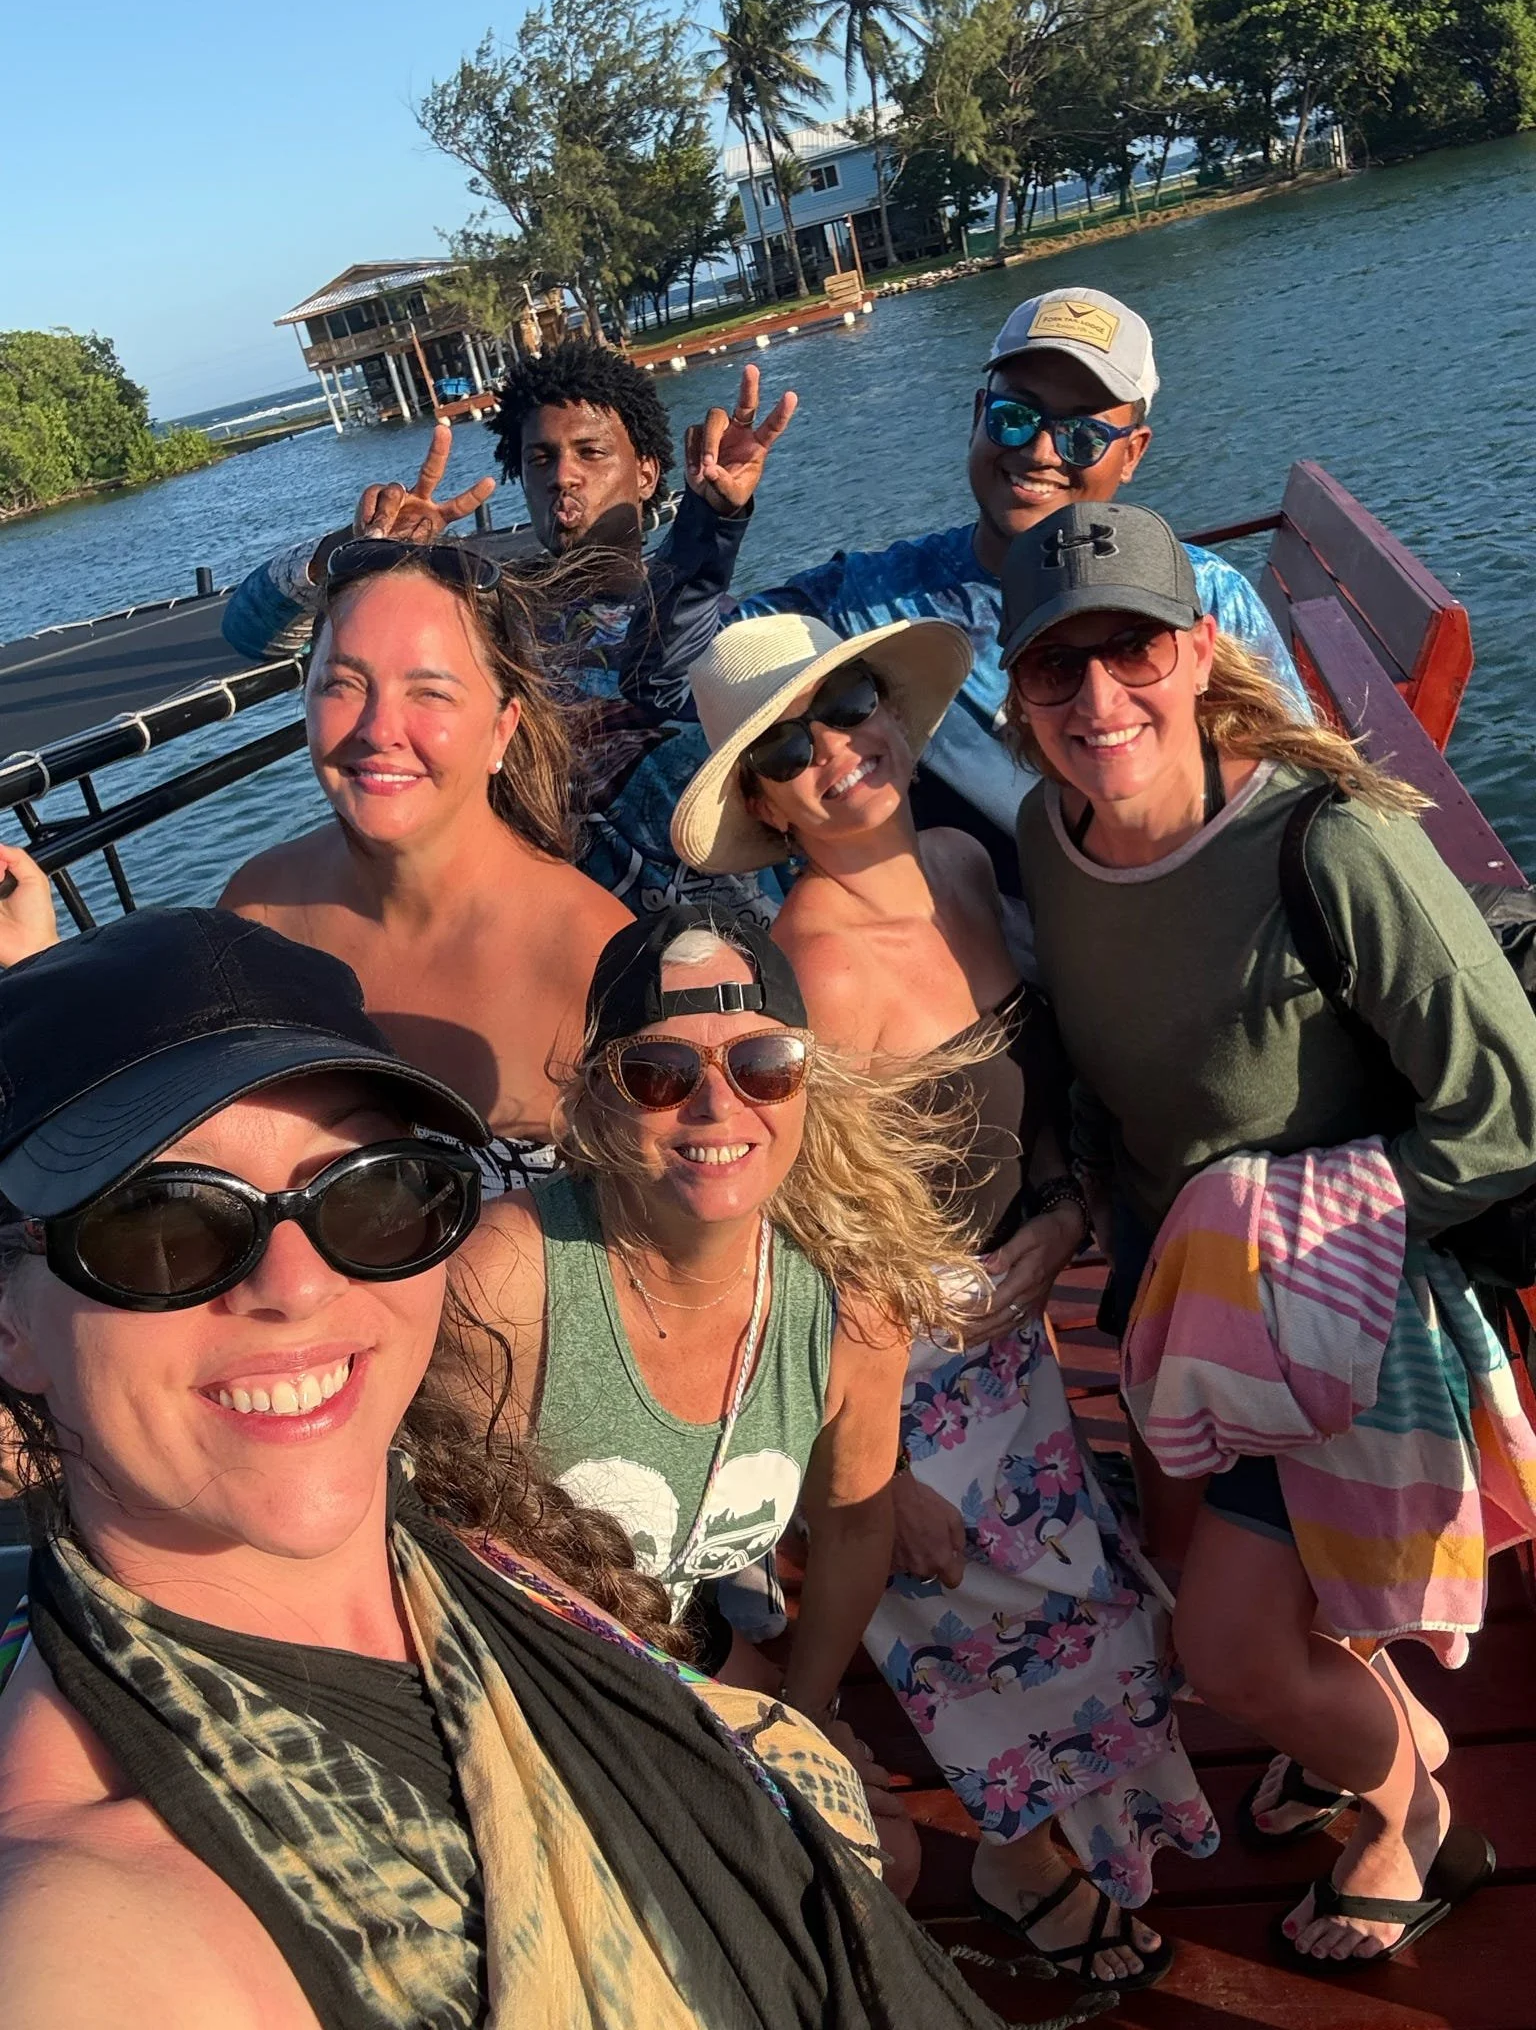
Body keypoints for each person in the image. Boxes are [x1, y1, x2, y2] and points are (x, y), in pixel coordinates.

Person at [0, 906, 1006, 2029]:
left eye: (370, 1189)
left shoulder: (486, 1570)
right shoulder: (95, 1901)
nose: (295, 1281)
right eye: (162, 1220)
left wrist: (806, 1705)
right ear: (11, 1316)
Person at [1006, 501, 1536, 1971]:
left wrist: (1308, 1214)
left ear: (1196, 652)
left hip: (1350, 1305)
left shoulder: (1328, 840)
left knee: (1228, 1654)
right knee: (1236, 1610)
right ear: (1018, 697)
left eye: (1132, 653)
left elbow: (1515, 1109)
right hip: (1193, 1308)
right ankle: (1370, 1739)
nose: (1100, 700)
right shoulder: (1057, 844)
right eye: (1057, 671)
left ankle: (1410, 1811)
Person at [670, 610, 1217, 1994]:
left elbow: (1032, 1107)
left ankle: (1065, 1837)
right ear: (762, 805)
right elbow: (777, 1250)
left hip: (1008, 1329)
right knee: (976, 1630)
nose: (836, 754)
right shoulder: (798, 975)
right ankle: (1018, 1866)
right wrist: (873, 1475)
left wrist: (1067, 1209)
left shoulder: (971, 865)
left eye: (850, 711)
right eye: (786, 751)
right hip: (892, 1369)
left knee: (1075, 1606)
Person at [450, 901, 974, 1728]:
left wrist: (801, 1722)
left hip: (678, 1647)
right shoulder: (506, 1282)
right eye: (660, 1073)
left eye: (763, 1065)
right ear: (600, 1096)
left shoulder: (851, 1301)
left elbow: (852, 1531)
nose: (718, 1106)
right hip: (534, 1684)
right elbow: (469, 1580)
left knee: (887, 1856)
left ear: (808, 1082)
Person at [731, 286, 1308, 892]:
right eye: (1015, 418)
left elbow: (1295, 792)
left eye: (1082, 437)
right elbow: (695, 666)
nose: (1039, 454)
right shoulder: (874, 600)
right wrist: (716, 519)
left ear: (1133, 453)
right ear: (979, 414)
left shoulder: (1203, 597)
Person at [221, 342, 798, 918]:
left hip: (735, 940)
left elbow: (667, 639)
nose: (563, 476)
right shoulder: (487, 615)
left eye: (590, 452)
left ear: (646, 474)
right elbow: (250, 632)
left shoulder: (728, 630)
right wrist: (357, 557)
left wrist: (712, 521)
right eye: (540, 459)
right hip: (545, 941)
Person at [214, 541, 621, 1196]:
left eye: (430, 692)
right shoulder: (256, 912)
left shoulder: (593, 967)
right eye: (343, 684)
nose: (379, 728)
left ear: (501, 729)